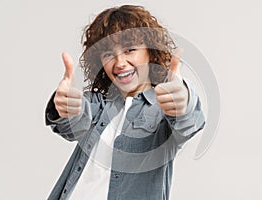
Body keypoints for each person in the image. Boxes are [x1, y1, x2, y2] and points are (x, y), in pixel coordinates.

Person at [45, 4, 205, 200]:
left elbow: (188, 123)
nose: (119, 63)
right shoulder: (98, 103)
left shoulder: (163, 110)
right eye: (108, 54)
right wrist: (65, 107)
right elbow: (74, 122)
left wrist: (183, 101)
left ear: (151, 52)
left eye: (130, 49)